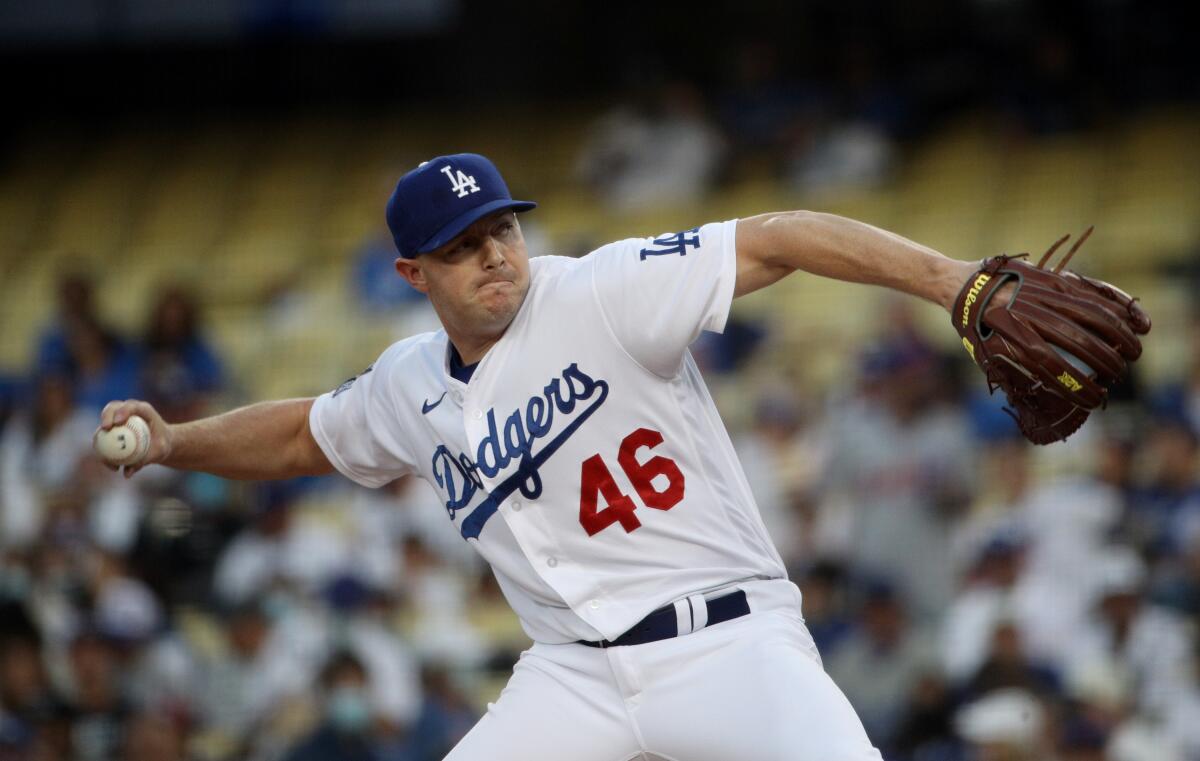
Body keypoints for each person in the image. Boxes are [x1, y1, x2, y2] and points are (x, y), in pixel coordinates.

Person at [96, 152, 981, 760]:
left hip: (723, 636)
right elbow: (301, 433)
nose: (494, 254)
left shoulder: (602, 290)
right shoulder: (408, 380)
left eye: (501, 230)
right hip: (573, 670)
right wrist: (177, 441)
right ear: (413, 274)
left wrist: (952, 282)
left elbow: (778, 237)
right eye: (462, 246)